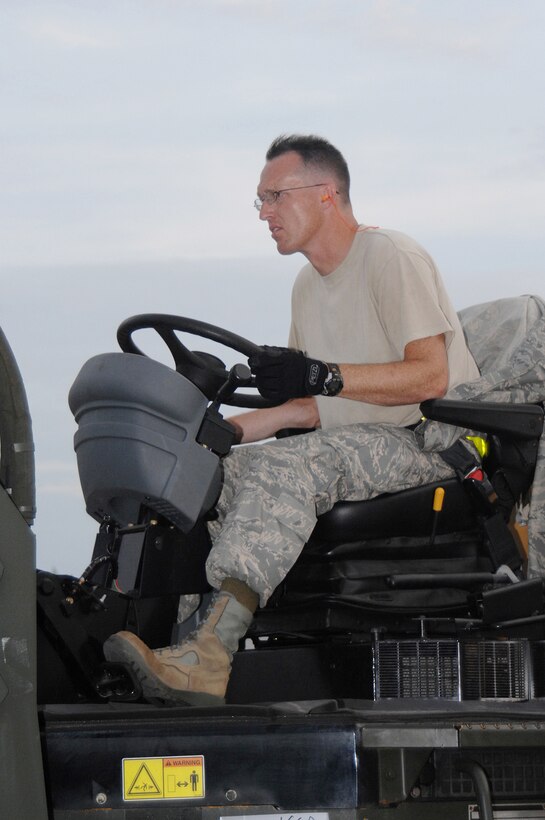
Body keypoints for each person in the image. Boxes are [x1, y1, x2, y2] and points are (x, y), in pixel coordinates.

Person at [104, 134, 480, 705]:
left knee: (287, 469)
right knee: (206, 478)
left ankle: (211, 656)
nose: (266, 213)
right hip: (353, 442)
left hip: (430, 442)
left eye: (275, 196)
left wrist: (322, 375)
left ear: (327, 193)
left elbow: (430, 378)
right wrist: (221, 437)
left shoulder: (391, 257)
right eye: (260, 201)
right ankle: (168, 647)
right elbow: (308, 410)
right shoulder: (307, 285)